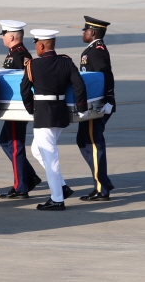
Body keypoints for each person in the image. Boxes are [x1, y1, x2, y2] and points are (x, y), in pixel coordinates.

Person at [21, 29, 88, 211]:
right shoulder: (66, 62)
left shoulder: (33, 65)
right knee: (36, 150)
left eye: (36, 43)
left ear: (41, 45)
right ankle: (62, 187)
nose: (35, 47)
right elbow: (79, 84)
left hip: (43, 114)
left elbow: (25, 90)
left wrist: (30, 110)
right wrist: (81, 108)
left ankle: (57, 199)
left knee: (50, 156)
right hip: (60, 113)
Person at [0, 20, 42, 200]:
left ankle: (20, 187)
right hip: (12, 107)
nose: (3, 38)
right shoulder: (13, 54)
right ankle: (29, 176)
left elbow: (25, 83)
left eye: (4, 34)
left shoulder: (20, 55)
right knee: (6, 141)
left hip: (18, 107)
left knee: (15, 145)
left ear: (12, 36)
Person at [76, 16, 116, 201]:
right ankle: (103, 181)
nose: (83, 33)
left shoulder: (96, 51)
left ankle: (101, 189)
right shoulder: (92, 49)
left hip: (98, 105)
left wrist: (109, 98)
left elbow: (105, 75)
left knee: (93, 144)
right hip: (94, 103)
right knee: (83, 140)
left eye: (85, 30)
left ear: (93, 33)